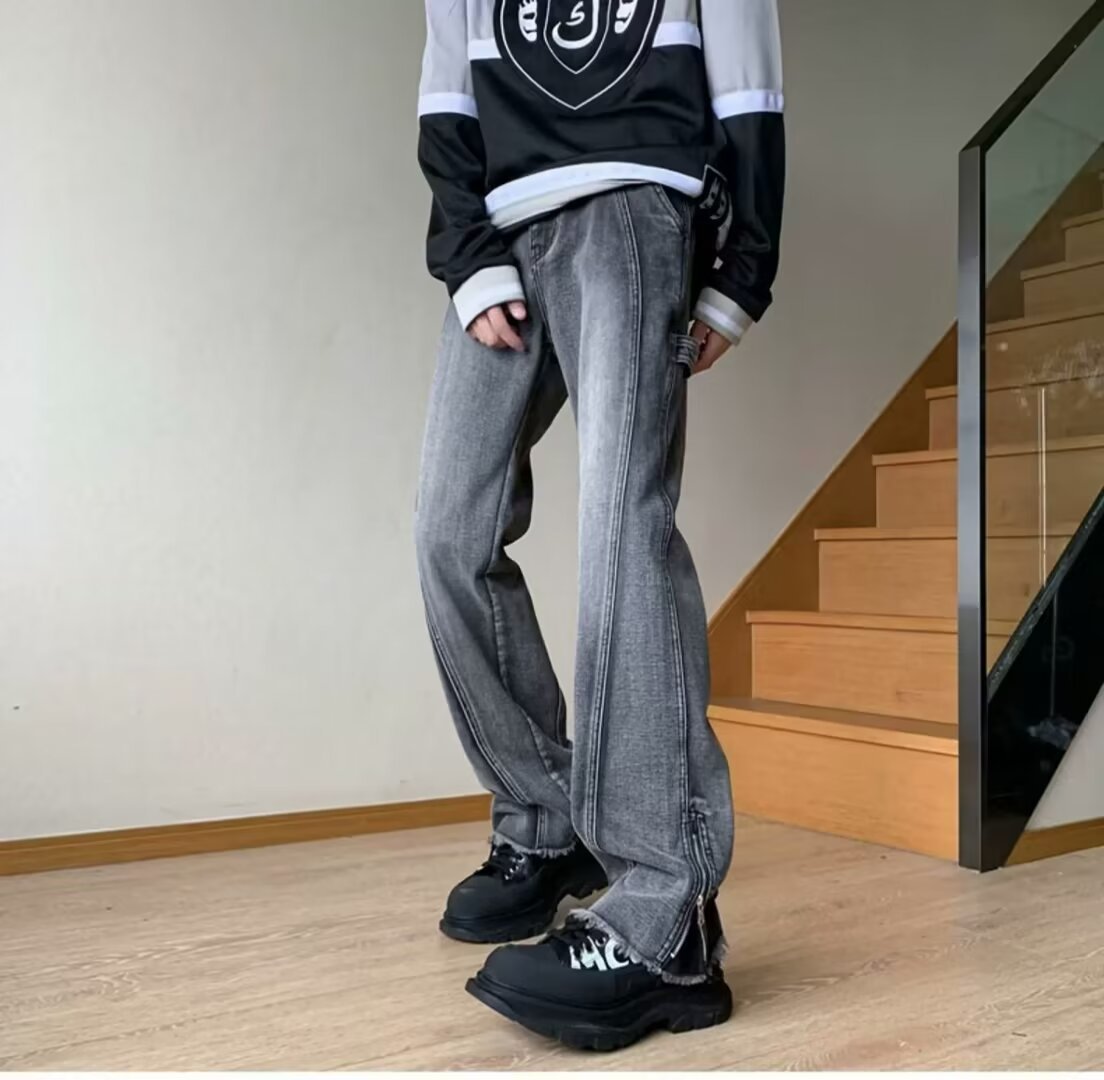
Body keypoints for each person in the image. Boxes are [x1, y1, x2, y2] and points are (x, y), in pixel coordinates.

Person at [413, 0, 784, 1052]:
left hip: (637, 206)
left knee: (623, 529)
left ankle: (667, 920)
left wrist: (742, 271)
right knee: (448, 533)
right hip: (504, 230)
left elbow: (750, 85)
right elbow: (446, 100)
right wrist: (468, 255)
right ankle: (545, 821)